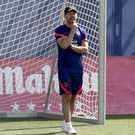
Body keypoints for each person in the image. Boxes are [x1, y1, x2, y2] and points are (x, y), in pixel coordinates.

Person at [54, 6, 88, 134]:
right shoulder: (59, 30)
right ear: (65, 16)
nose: (72, 16)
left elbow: (85, 50)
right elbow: (63, 45)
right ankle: (68, 125)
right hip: (65, 68)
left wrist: (72, 46)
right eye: (69, 13)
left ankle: (66, 124)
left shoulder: (82, 31)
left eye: (74, 13)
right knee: (66, 95)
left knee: (73, 96)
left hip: (78, 68)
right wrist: (72, 33)